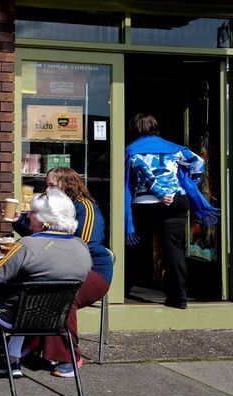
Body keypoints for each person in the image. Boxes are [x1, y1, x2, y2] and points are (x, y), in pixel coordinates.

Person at [0, 189, 91, 379]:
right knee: (28, 303)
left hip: (13, 316)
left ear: (45, 219)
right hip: (54, 319)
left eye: (32, 212)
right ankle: (13, 358)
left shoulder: (26, 245)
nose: (28, 216)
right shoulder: (82, 248)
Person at [11, 167, 112, 377]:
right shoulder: (52, 206)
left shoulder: (85, 208)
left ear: (67, 184)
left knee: (64, 296)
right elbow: (39, 236)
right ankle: (33, 342)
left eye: (51, 185)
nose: (47, 190)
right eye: (46, 185)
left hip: (92, 269)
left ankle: (70, 356)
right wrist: (20, 221)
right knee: (35, 288)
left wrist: (53, 247)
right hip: (61, 267)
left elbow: (84, 246)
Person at [125, 113, 219, 309]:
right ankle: (178, 298)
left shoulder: (132, 150)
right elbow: (198, 163)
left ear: (133, 129)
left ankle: (123, 291)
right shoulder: (174, 148)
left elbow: (142, 171)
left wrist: (158, 192)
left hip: (146, 204)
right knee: (174, 250)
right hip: (178, 200)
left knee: (137, 248)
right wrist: (189, 184)